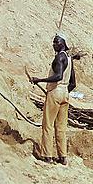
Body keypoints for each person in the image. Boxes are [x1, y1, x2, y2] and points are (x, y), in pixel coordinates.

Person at [28, 34, 76, 164]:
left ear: (63, 43)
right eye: (53, 42)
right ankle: (63, 157)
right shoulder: (70, 59)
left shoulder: (59, 57)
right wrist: (64, 92)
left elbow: (58, 76)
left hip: (55, 92)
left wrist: (40, 80)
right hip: (65, 93)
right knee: (61, 128)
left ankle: (47, 156)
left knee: (48, 125)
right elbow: (73, 83)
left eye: (56, 42)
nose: (54, 44)